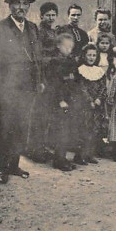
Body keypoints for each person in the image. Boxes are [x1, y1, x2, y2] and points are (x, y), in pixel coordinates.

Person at [0, 0, 43, 184]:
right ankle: (1, 169)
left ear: (28, 7)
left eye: (25, 4)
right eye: (17, 3)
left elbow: (37, 58)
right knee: (5, 127)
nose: (21, 8)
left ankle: (13, 165)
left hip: (27, 87)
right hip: (6, 87)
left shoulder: (32, 28)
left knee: (21, 127)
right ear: (10, 6)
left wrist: (40, 80)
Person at [27, 1, 60, 162]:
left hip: (52, 76)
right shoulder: (39, 32)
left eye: (53, 15)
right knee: (39, 114)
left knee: (48, 113)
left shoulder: (53, 31)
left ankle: (43, 147)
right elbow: (38, 55)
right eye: (48, 15)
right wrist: (53, 59)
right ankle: (34, 150)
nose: (51, 17)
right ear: (41, 16)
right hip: (43, 75)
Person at [46, 31, 80, 171]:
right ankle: (59, 160)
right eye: (66, 47)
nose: (69, 50)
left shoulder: (70, 61)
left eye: (71, 48)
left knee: (67, 130)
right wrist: (60, 100)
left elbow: (75, 79)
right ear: (59, 46)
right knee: (61, 130)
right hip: (59, 101)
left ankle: (63, 157)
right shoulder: (55, 63)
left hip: (70, 99)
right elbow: (54, 84)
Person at [77, 44, 107, 163]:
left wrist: (99, 99)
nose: (91, 57)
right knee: (84, 129)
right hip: (85, 105)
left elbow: (103, 87)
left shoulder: (99, 71)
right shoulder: (80, 70)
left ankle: (90, 154)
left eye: (94, 55)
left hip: (97, 105)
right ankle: (80, 156)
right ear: (84, 56)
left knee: (94, 129)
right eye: (89, 55)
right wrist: (89, 100)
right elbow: (81, 87)